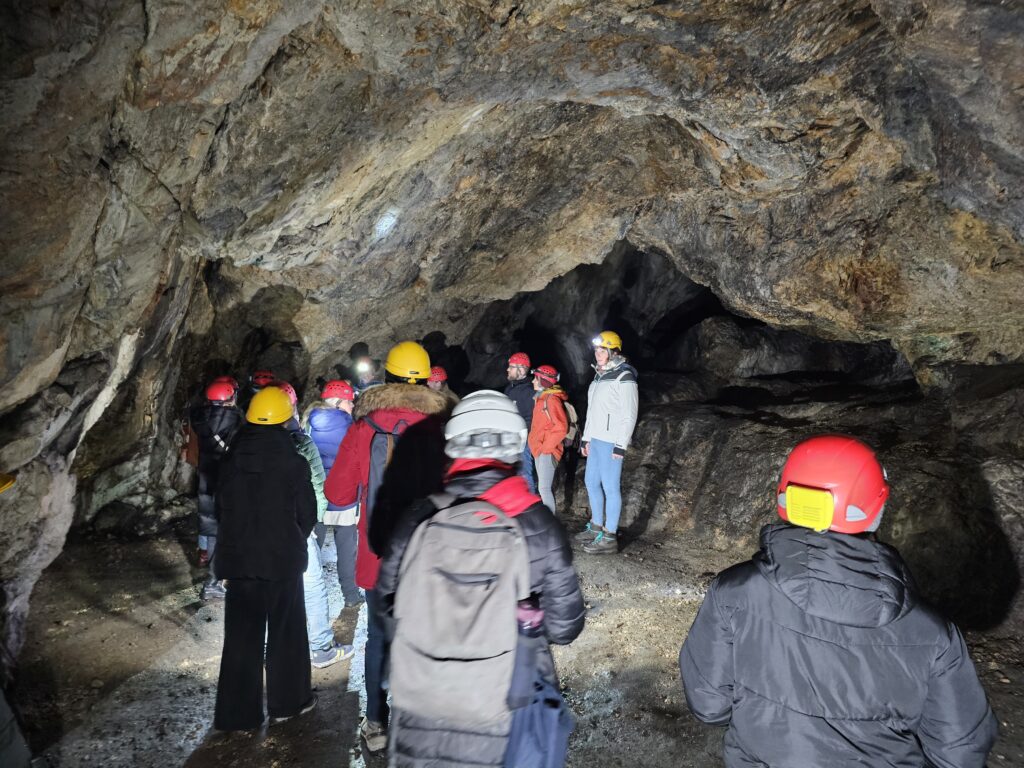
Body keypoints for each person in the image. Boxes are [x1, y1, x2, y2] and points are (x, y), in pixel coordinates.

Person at [680, 435, 998, 768]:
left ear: (786, 496)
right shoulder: (932, 633)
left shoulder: (733, 592)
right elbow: (960, 752)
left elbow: (709, 705)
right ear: (875, 508)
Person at [375, 390, 585, 767]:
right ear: (513, 446)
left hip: (422, 700)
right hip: (502, 706)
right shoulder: (539, 525)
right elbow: (565, 627)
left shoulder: (417, 518)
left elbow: (386, 604)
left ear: (453, 447)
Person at [324, 341, 451, 753]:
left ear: (389, 377)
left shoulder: (365, 428)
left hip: (378, 555)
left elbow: (338, 493)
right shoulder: (441, 428)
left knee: (379, 637)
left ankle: (377, 723)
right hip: (427, 554)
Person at [213, 386, 318, 730]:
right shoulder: (294, 463)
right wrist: (291, 539)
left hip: (239, 563)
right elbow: (307, 515)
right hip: (282, 561)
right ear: (284, 419)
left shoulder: (229, 461)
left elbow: (220, 511)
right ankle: (288, 703)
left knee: (241, 638)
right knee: (287, 634)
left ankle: (236, 715)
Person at [276, 381, 354, 669]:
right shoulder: (301, 440)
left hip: (266, 526)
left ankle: (273, 646)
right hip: (304, 520)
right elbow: (316, 485)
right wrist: (312, 521)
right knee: (313, 582)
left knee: (276, 584)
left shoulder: (247, 440)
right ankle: (320, 648)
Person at [302, 379, 362, 609]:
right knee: (346, 548)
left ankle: (309, 593)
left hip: (316, 496)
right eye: (349, 402)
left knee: (312, 547)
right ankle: (350, 595)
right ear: (338, 403)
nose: (352, 406)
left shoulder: (308, 421)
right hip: (344, 496)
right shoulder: (351, 427)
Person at [578, 331, 638, 555]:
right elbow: (592, 412)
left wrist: (621, 444)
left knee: (610, 487)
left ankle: (610, 536)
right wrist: (586, 438)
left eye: (603, 350)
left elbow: (629, 414)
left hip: (612, 440)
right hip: (595, 439)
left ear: (614, 352)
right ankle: (595, 527)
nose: (598, 353)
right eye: (596, 350)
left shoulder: (625, 377)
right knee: (591, 482)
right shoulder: (599, 376)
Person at [188, 379, 244, 599]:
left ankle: (212, 582)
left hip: (207, 483)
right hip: (231, 484)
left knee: (212, 534)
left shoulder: (199, 419)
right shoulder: (237, 421)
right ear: (231, 398)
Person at [528, 365, 569, 514]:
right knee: (542, 488)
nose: (533, 381)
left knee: (544, 489)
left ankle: (550, 523)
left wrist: (546, 448)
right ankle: (548, 521)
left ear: (543, 381)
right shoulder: (542, 398)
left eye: (536, 379)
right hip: (539, 448)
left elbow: (561, 427)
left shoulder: (551, 400)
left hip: (547, 450)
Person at [504, 352, 537, 494]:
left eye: (511, 367)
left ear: (522, 370)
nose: (508, 369)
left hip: (522, 441)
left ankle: (531, 506)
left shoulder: (529, 392)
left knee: (524, 473)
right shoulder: (509, 389)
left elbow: (532, 418)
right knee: (509, 474)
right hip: (509, 439)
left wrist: (523, 438)